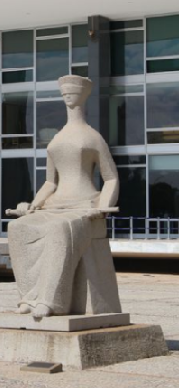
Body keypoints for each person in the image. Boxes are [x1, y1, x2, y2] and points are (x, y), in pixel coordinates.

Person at [6, 75, 119, 318]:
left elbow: (111, 178)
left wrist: (102, 206)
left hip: (84, 205)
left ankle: (49, 301)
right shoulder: (57, 138)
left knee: (58, 230)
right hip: (54, 204)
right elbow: (49, 182)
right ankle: (28, 296)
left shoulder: (93, 137)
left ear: (84, 95)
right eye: (64, 92)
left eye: (73, 92)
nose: (67, 95)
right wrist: (33, 205)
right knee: (18, 228)